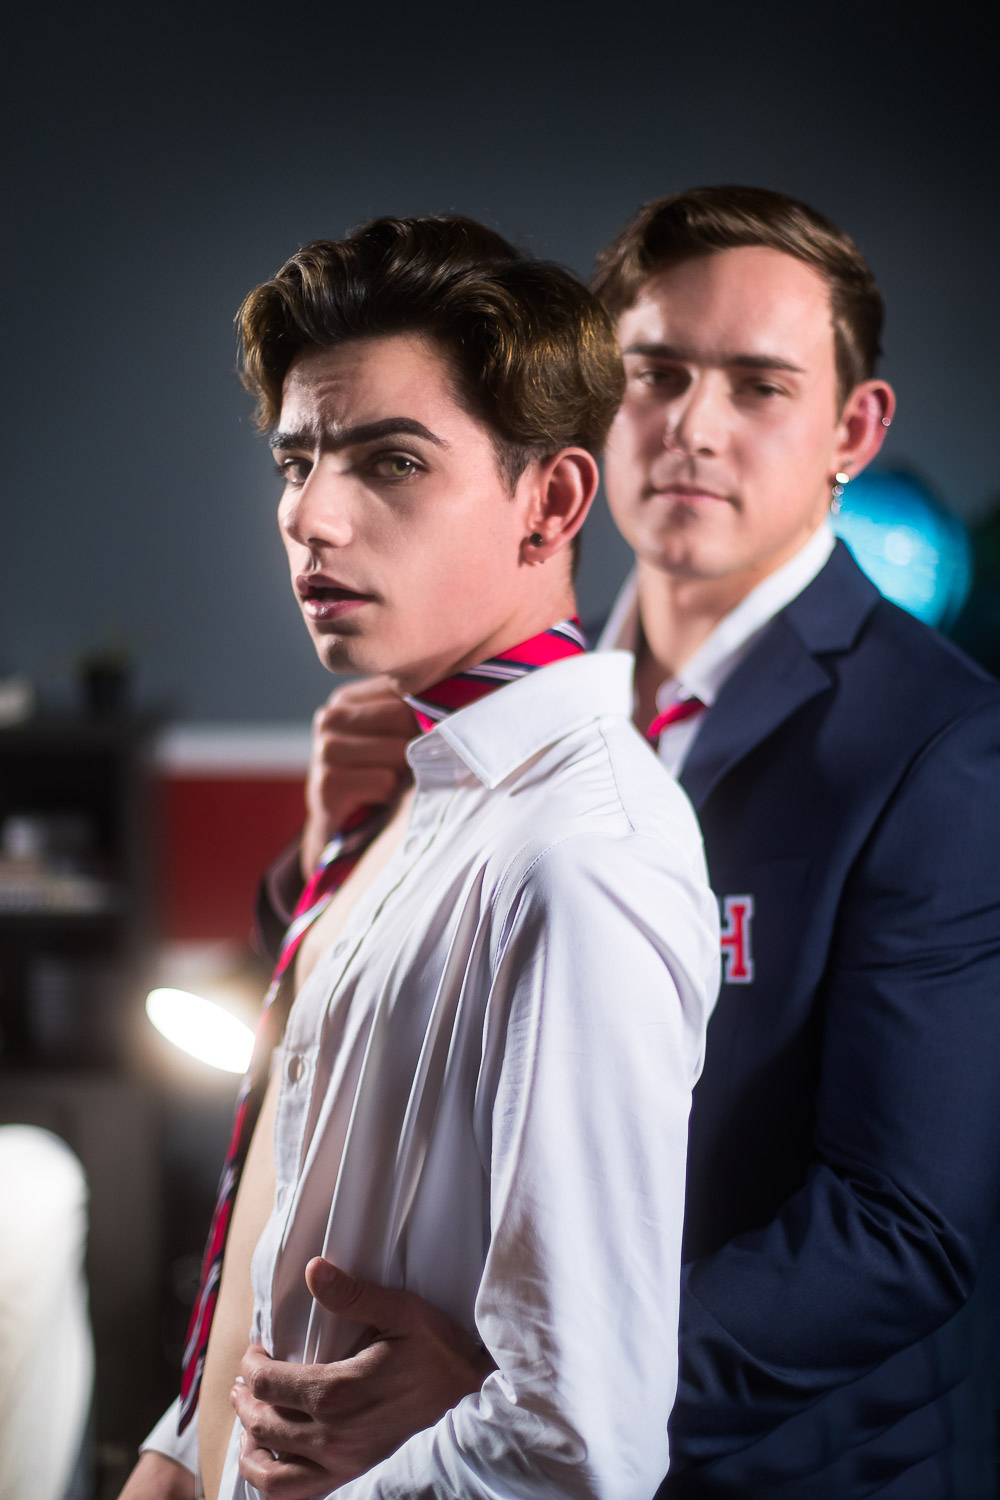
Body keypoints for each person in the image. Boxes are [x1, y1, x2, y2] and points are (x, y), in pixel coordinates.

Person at [242, 187, 1000, 1499]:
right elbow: (366, 1036)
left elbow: (900, 1226)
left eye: (757, 385)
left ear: (852, 429)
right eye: (654, 373)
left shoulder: (938, 744)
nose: (692, 427)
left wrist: (531, 1370)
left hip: (777, 1467)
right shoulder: (486, 676)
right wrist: (330, 854)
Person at [121, 214, 719, 1499]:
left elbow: (577, 1442)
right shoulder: (413, 790)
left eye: (391, 461)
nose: (312, 516)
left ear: (550, 502)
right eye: (296, 460)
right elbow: (285, 1215)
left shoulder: (582, 856)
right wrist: (176, 1457)